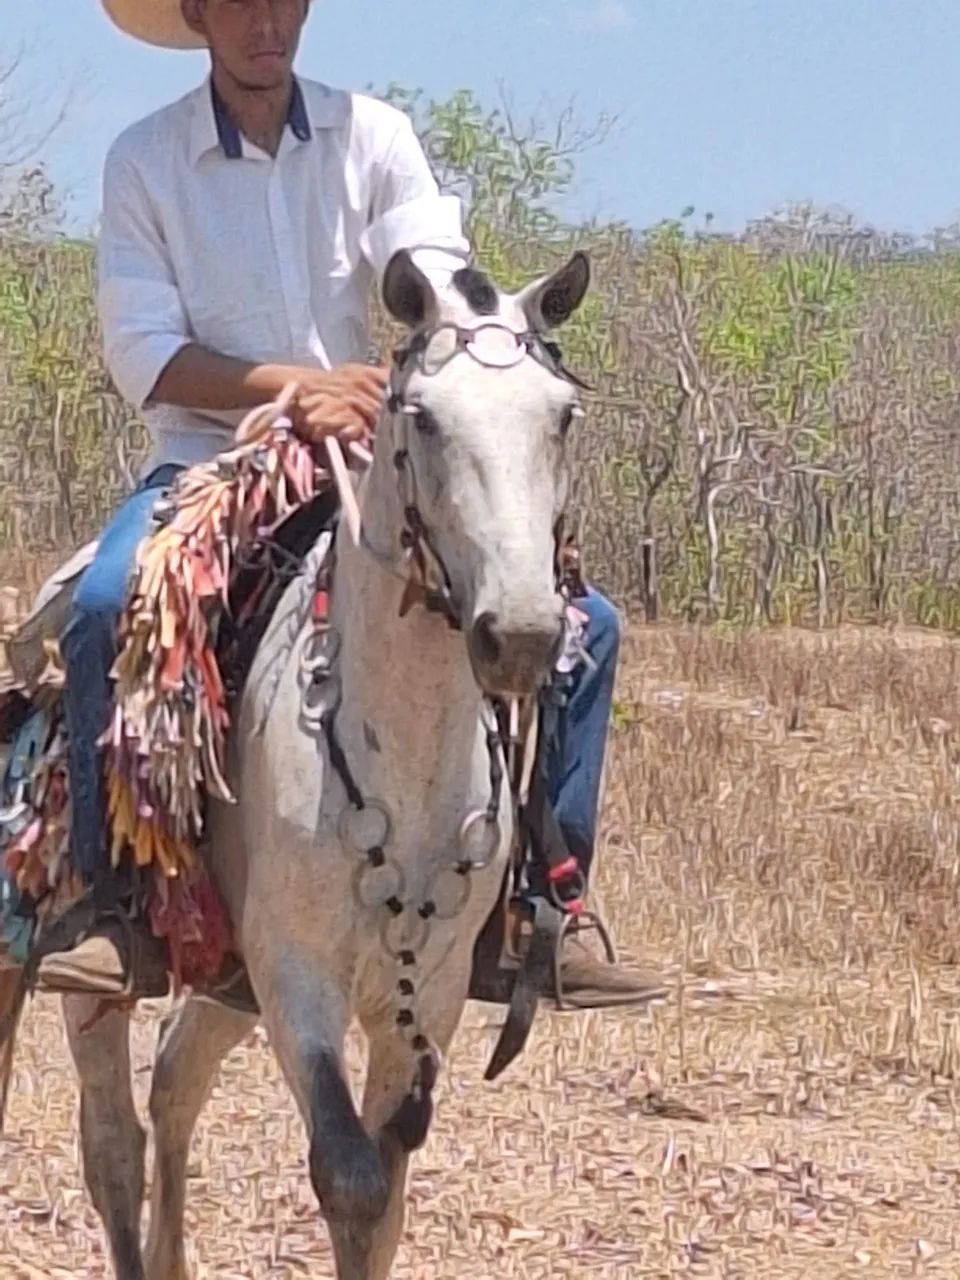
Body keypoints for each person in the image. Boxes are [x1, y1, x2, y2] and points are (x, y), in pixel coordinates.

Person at [36, 0, 652, 1010]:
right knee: (111, 601)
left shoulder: (375, 136)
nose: (264, 21)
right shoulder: (145, 160)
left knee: (586, 625)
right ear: (196, 15)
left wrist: (481, 339)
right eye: (235, 0)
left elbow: (435, 265)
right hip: (212, 458)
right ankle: (119, 910)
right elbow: (143, 351)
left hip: (367, 453)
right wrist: (292, 385)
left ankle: (546, 903)